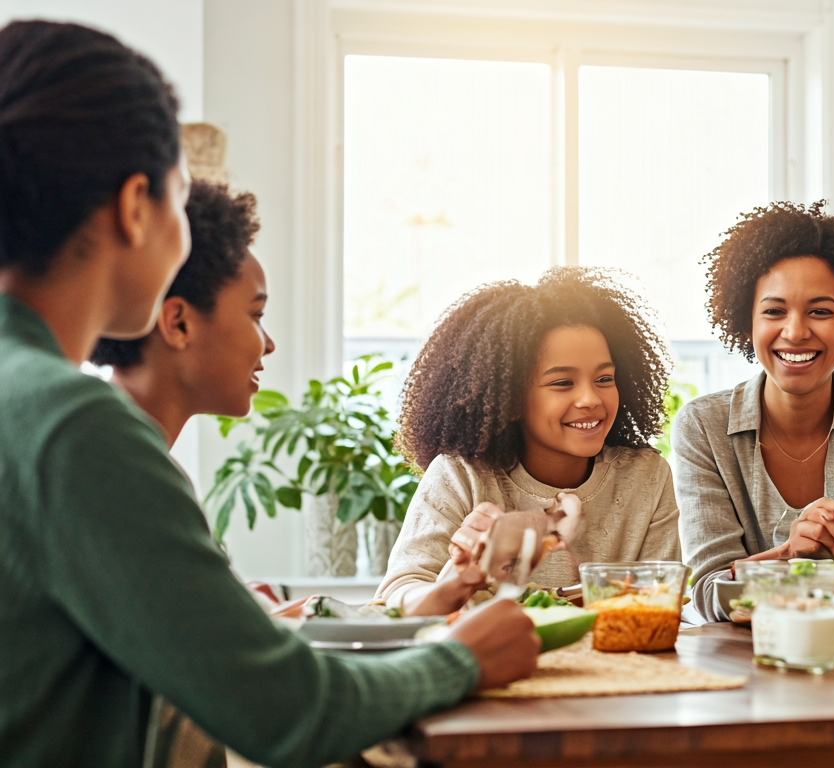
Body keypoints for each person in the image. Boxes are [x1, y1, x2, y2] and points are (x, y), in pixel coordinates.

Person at [0, 21, 537, 767]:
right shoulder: (73, 424)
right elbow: (283, 715)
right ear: (134, 205)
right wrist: (464, 659)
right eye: (179, 198)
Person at [674, 201, 834, 623]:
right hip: (747, 665)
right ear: (748, 323)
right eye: (774, 311)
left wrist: (802, 577)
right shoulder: (703, 427)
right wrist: (789, 555)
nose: (796, 332)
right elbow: (708, 594)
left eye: (820, 311)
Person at [375, 267, 681, 616]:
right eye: (562, 383)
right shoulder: (461, 475)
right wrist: (463, 579)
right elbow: (398, 595)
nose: (589, 399)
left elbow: (662, 593)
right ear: (510, 397)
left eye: (604, 378)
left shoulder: (647, 476)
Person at [89, 178, 274, 448]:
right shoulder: (127, 472)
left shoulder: (102, 440)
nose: (269, 345)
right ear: (178, 324)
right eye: (256, 315)